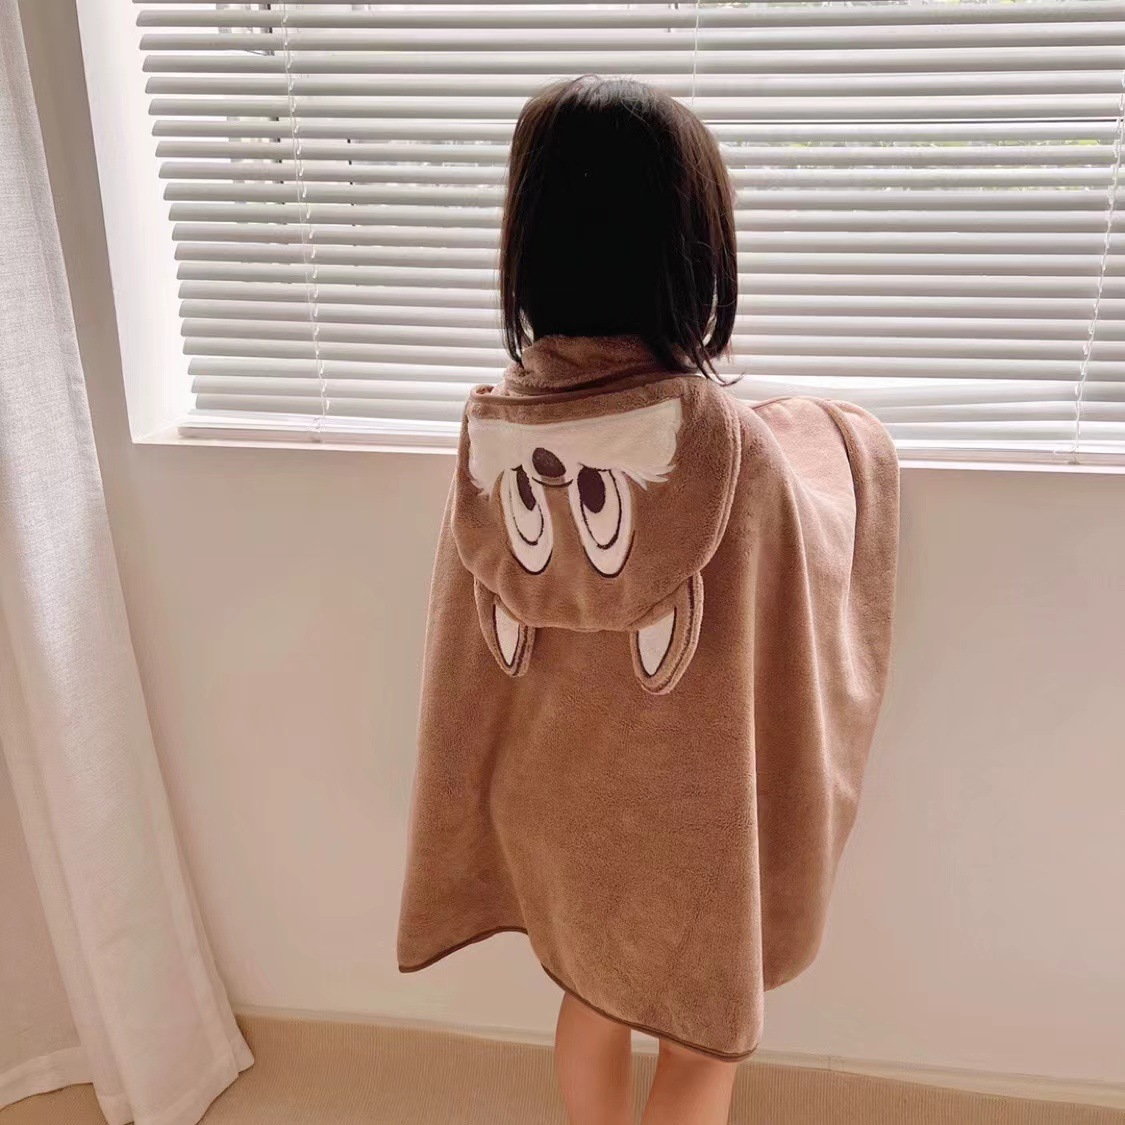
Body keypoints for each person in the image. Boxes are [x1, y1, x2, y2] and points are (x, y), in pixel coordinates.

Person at [398, 76, 899, 1125]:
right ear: (695, 253)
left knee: (588, 996)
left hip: (557, 812)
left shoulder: (491, 440)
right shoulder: (734, 451)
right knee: (699, 1042)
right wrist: (844, 435)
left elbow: (465, 642)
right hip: (691, 825)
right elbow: (811, 541)